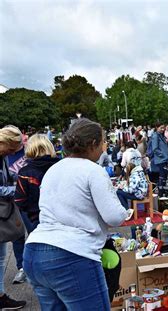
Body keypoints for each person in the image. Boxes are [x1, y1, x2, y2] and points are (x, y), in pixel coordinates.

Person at [23, 118, 128, 310]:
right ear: (93, 144)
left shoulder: (54, 169)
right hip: (71, 254)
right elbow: (114, 217)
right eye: (103, 142)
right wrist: (125, 210)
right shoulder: (92, 170)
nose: (104, 148)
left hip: (34, 252)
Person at [11, 134, 60, 285]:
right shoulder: (61, 166)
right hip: (61, 220)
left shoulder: (25, 172)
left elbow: (19, 200)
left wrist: (31, 209)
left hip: (37, 220)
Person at [0, 125, 27, 309]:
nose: (11, 153)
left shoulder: (2, 156)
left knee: (1, 257)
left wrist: (23, 177)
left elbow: (9, 176)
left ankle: (1, 295)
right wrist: (17, 190)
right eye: (10, 149)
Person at [116, 150, 148, 218]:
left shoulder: (135, 175)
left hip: (139, 195)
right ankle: (127, 210)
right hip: (141, 193)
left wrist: (122, 187)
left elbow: (131, 190)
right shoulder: (139, 171)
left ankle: (127, 210)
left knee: (118, 192)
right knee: (120, 192)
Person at [149, 122, 168, 189]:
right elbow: (155, 149)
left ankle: (163, 191)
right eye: (161, 128)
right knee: (162, 177)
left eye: (163, 128)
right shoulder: (156, 136)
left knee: (164, 176)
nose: (162, 129)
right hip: (161, 160)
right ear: (157, 127)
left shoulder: (161, 135)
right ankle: (161, 192)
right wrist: (163, 155)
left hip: (164, 159)